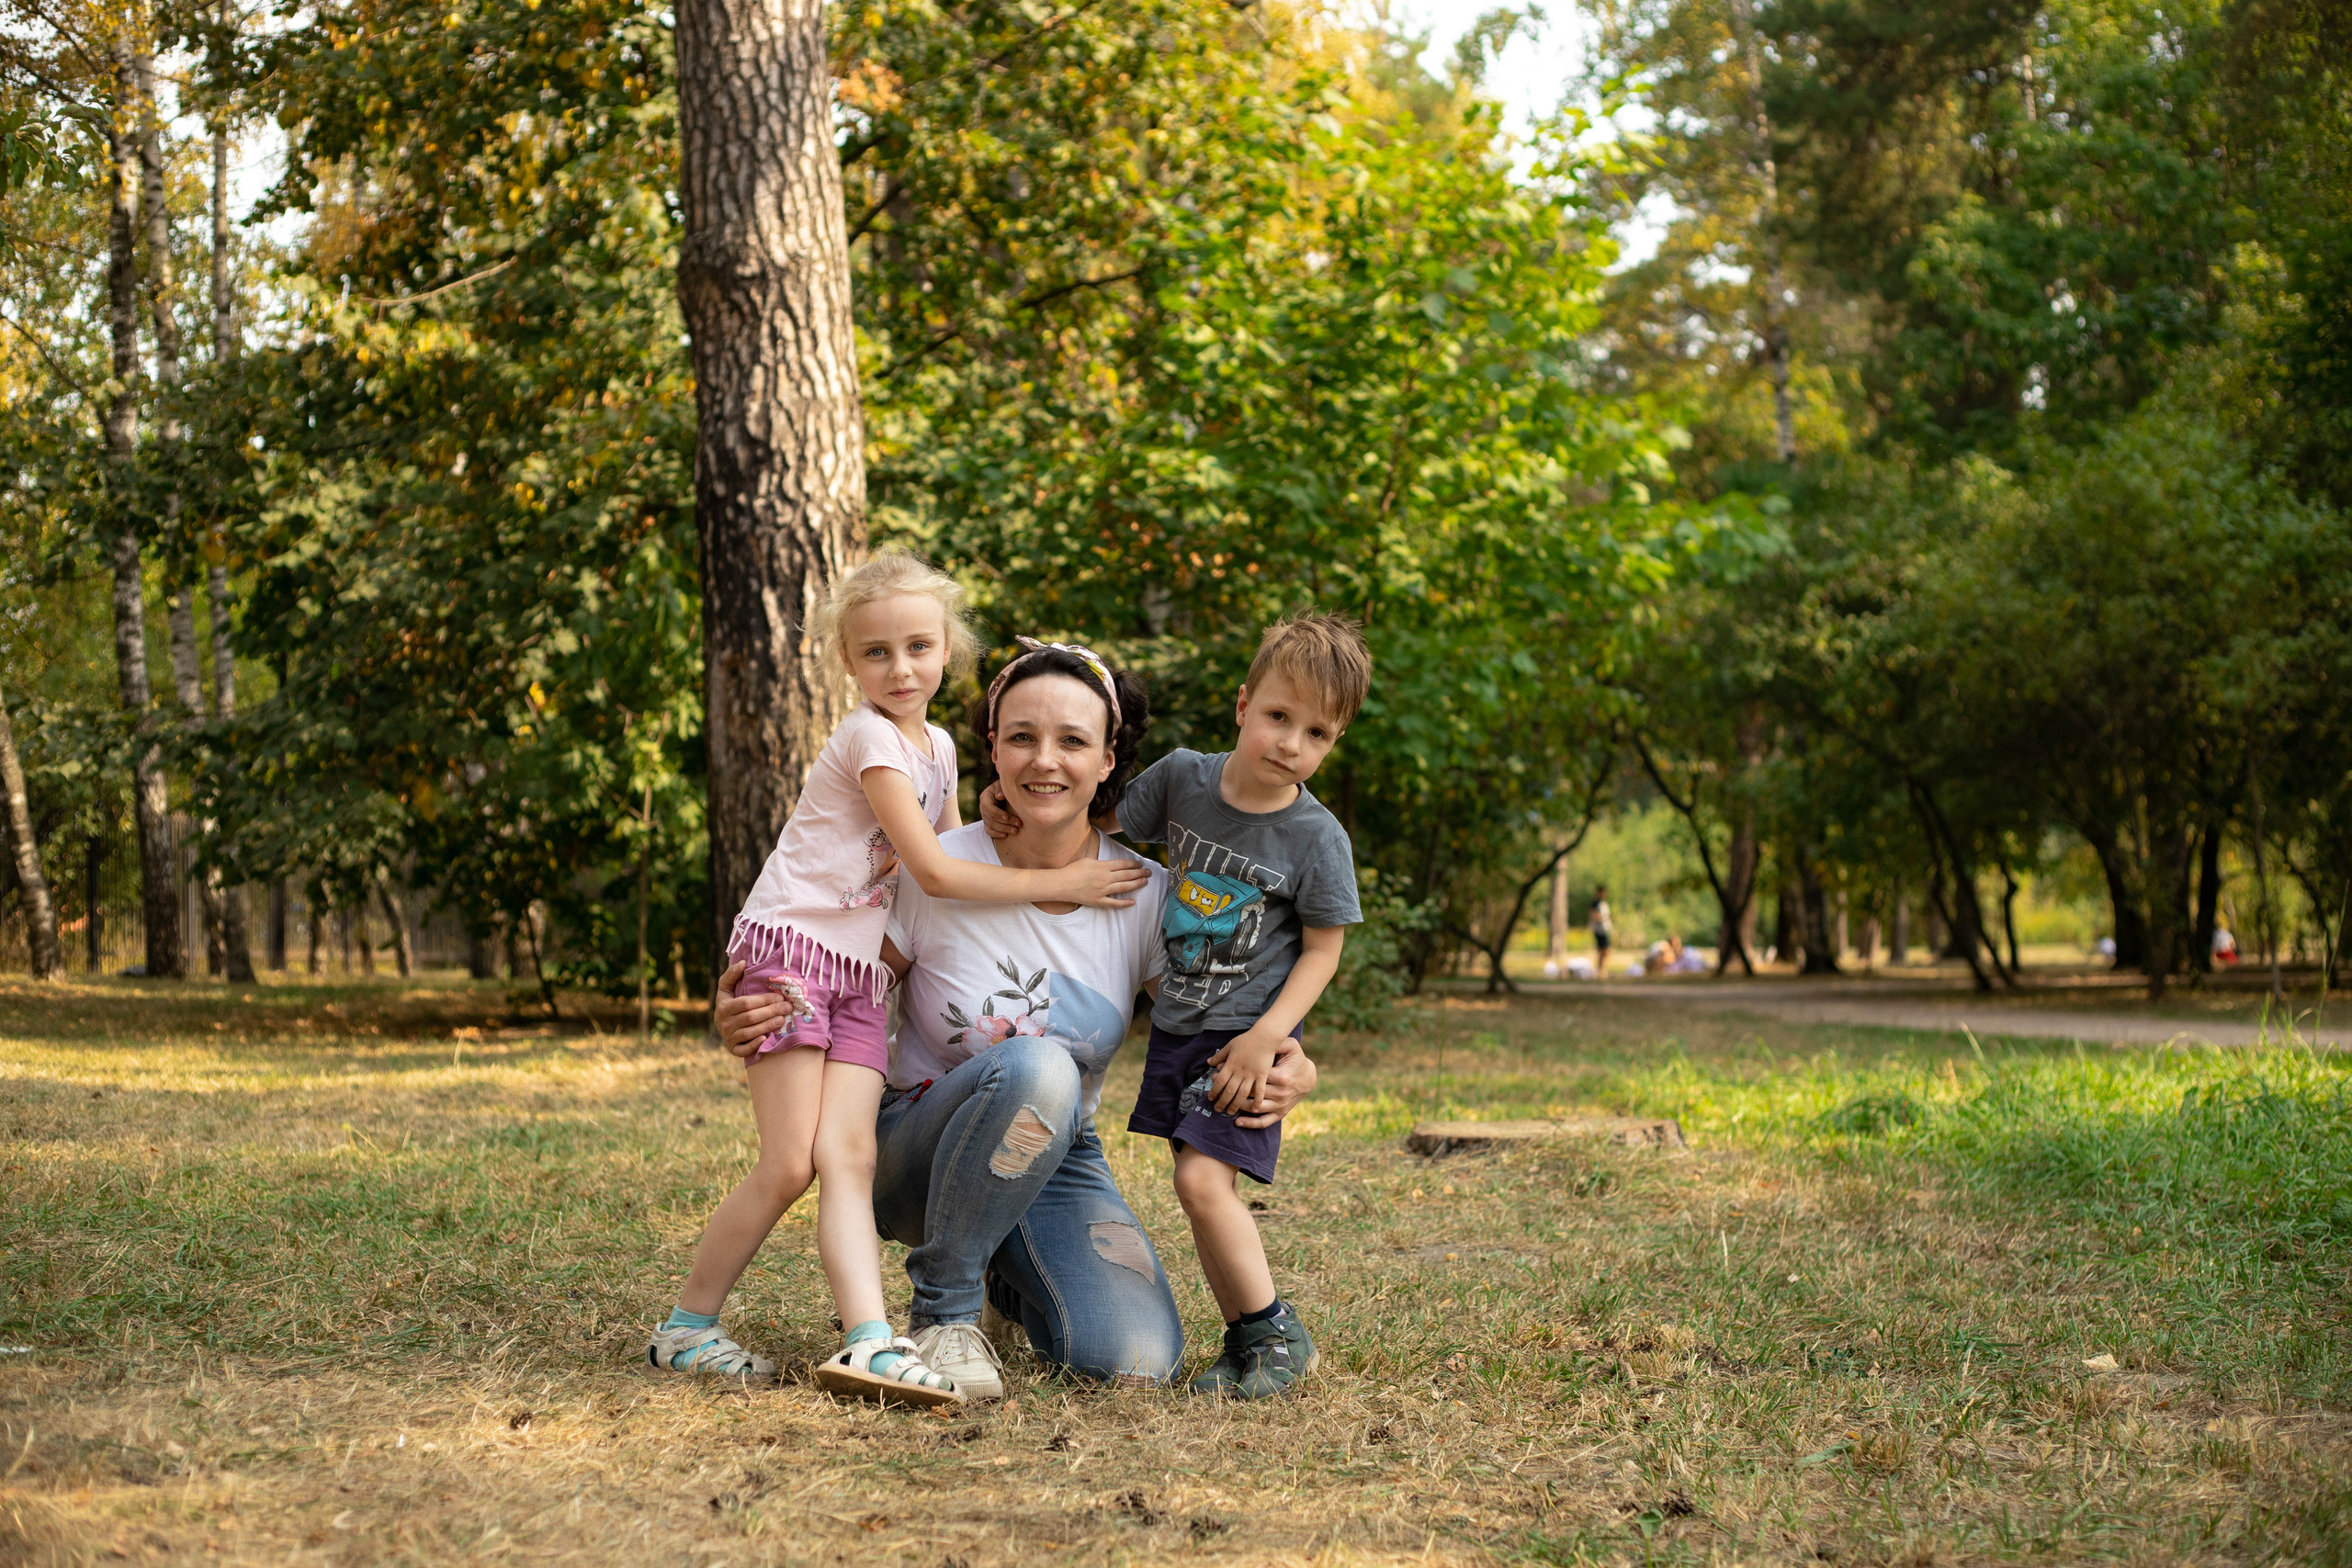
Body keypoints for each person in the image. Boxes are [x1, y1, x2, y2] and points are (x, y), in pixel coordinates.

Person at [712, 639, 1321, 1399]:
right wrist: (754, 1006)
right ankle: (944, 1311)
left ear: (1106, 760)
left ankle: (1004, 1279)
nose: (1045, 760)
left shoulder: (1143, 893)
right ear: (992, 748)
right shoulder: (932, 867)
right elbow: (839, 980)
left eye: (1073, 740)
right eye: (1023, 736)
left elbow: (1214, 1019)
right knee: (1039, 1062)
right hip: (913, 1146)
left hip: (1057, 1152)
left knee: (1134, 1359)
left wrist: (1293, 1061)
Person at [647, 558, 1150, 1404]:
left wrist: (990, 811)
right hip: (798, 955)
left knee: (842, 1156)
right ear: (847, 661)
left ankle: (870, 1340)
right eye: (876, 652)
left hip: (854, 977)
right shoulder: (869, 737)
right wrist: (1054, 882)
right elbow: (937, 875)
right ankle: (688, 1325)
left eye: (920, 646)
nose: (902, 668)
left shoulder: (940, 747)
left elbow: (948, 845)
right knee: (788, 1164)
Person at [984, 613, 1368, 1399]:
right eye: (1278, 716)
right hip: (1181, 1024)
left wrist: (1270, 1037)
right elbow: (1091, 817)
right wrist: (1008, 805)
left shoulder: (1316, 838)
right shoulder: (1185, 778)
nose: (1291, 744)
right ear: (1242, 704)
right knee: (1195, 1184)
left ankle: (1273, 1331)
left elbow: (1324, 950)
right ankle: (1244, 1341)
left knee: (1202, 1183)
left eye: (1318, 733)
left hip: (1248, 1037)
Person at [1589, 886, 1612, 980]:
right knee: (1603, 950)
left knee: (1605, 950)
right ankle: (1600, 970)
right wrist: (1603, 918)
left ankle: (1602, 969)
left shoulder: (1603, 903)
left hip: (1604, 929)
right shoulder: (1595, 903)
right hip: (1600, 930)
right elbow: (1593, 915)